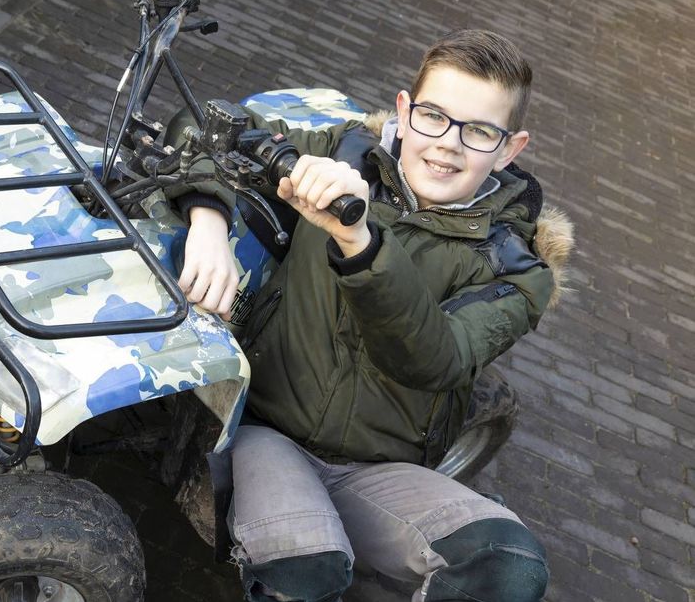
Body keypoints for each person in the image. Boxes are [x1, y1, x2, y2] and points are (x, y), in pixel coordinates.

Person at [172, 30, 573, 601]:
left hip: (380, 472)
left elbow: (434, 359)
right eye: (434, 115)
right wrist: (207, 219)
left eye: (480, 131)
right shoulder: (338, 152)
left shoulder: (519, 269)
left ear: (510, 149)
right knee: (307, 566)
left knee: (508, 569)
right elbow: (206, 126)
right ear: (406, 113)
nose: (449, 145)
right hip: (268, 431)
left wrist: (359, 241)